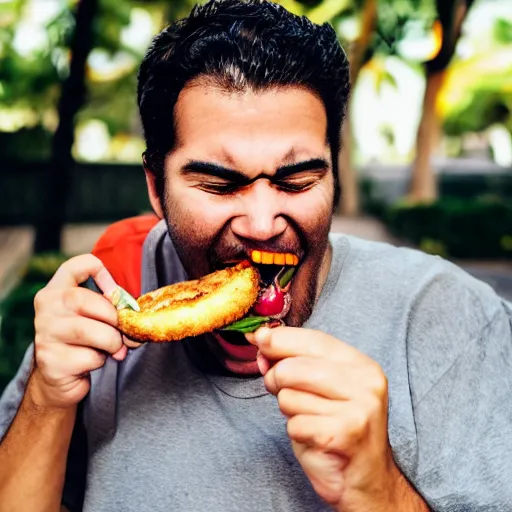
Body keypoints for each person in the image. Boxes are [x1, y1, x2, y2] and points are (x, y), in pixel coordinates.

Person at [1, 1, 511, 510]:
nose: (263, 225)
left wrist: (377, 489)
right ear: (156, 188)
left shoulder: (446, 314)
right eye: (220, 184)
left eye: (296, 180)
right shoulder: (107, 300)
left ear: (333, 174)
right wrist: (46, 401)